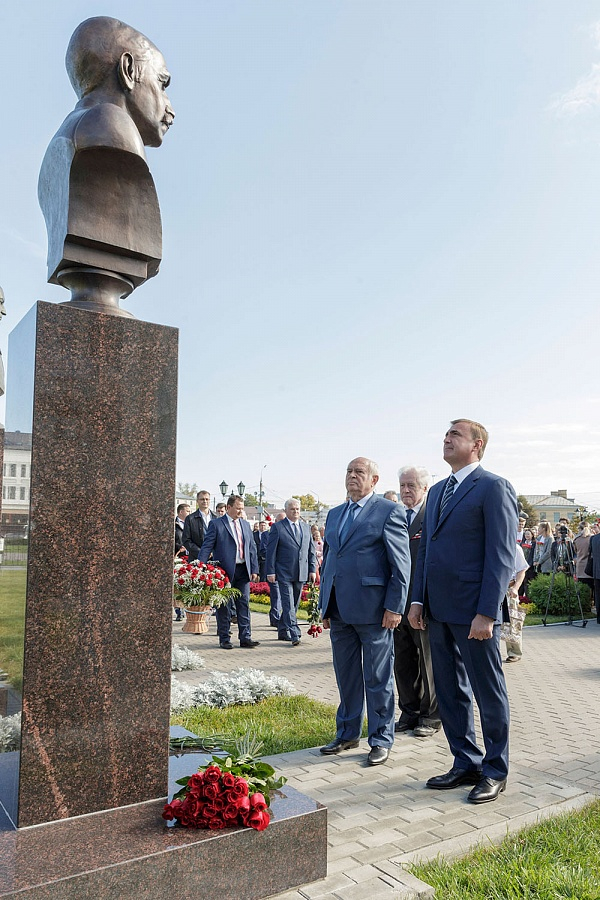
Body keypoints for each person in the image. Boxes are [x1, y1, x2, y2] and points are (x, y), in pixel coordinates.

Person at [410, 419, 517, 804]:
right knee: (450, 691)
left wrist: (487, 612)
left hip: (474, 612)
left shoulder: (493, 487)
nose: (446, 439)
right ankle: (465, 761)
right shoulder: (438, 490)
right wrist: (418, 600)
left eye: (455, 434)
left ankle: (495, 770)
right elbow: (427, 550)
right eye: (445, 434)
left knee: (488, 691)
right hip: (438, 609)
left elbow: (501, 555)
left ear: (477, 445)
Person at [38, 17, 175, 295]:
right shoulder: (111, 130)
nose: (170, 109)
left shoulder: (64, 139)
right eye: (162, 84)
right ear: (128, 70)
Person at [319, 457, 410, 766]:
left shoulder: (388, 511)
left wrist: (394, 607)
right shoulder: (335, 514)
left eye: (359, 472)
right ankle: (347, 733)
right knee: (346, 676)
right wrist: (325, 604)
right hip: (339, 609)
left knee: (377, 677)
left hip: (374, 611)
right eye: (349, 471)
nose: (352, 476)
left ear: (374, 480)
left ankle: (381, 738)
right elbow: (329, 560)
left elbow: (401, 564)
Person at [393, 466, 441, 738]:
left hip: (422, 601)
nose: (406, 490)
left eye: (411, 485)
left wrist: (421, 600)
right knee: (403, 661)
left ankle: (431, 716)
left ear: (424, 488)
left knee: (428, 661)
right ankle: (408, 711)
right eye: (402, 485)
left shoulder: (432, 516)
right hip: (397, 603)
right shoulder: (395, 516)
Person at [198, 495, 260, 649]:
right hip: (224, 571)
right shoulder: (216, 524)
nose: (240, 511)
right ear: (229, 507)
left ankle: (245, 637)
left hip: (243, 570)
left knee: (243, 603)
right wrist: (200, 566)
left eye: (242, 508)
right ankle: (224, 638)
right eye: (238, 508)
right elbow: (207, 546)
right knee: (224, 606)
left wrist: (254, 569)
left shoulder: (245, 524)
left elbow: (252, 548)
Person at [266, 499, 317, 646]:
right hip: (284, 572)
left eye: (297, 509)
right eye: (292, 509)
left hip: (301, 572)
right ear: (286, 511)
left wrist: (312, 569)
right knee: (288, 603)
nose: (295, 512)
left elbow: (311, 551)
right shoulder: (278, 527)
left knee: (294, 604)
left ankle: (282, 630)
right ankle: (295, 633)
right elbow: (271, 551)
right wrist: (270, 571)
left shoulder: (305, 527)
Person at [501, 542, 528, 662]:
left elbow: (522, 570)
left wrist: (516, 588)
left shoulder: (515, 548)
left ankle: (514, 652)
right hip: (494, 587)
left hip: (509, 588)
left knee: (512, 621)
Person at [182, 491, 216, 561]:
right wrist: (202, 553)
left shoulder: (217, 517)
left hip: (215, 558)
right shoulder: (190, 519)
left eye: (207, 499)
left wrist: (213, 552)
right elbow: (186, 540)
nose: (205, 501)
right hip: (196, 558)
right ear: (197, 501)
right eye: (202, 499)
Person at [174, 503, 190, 621]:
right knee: (177, 584)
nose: (189, 513)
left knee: (187, 583)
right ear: (181, 512)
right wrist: (179, 547)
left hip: (189, 557)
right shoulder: (174, 525)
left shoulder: (190, 524)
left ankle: (186, 608)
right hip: (178, 557)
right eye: (187, 511)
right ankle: (178, 610)